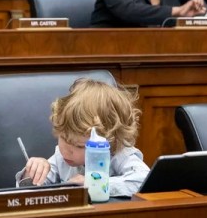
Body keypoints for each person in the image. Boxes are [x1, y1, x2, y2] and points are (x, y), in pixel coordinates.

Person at [15, 78, 150, 197]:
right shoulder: (61, 158)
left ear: (108, 142)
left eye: (79, 145)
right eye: (63, 138)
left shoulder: (119, 153)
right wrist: (32, 174)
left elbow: (144, 180)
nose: (66, 151)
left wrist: (94, 184)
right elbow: (29, 192)